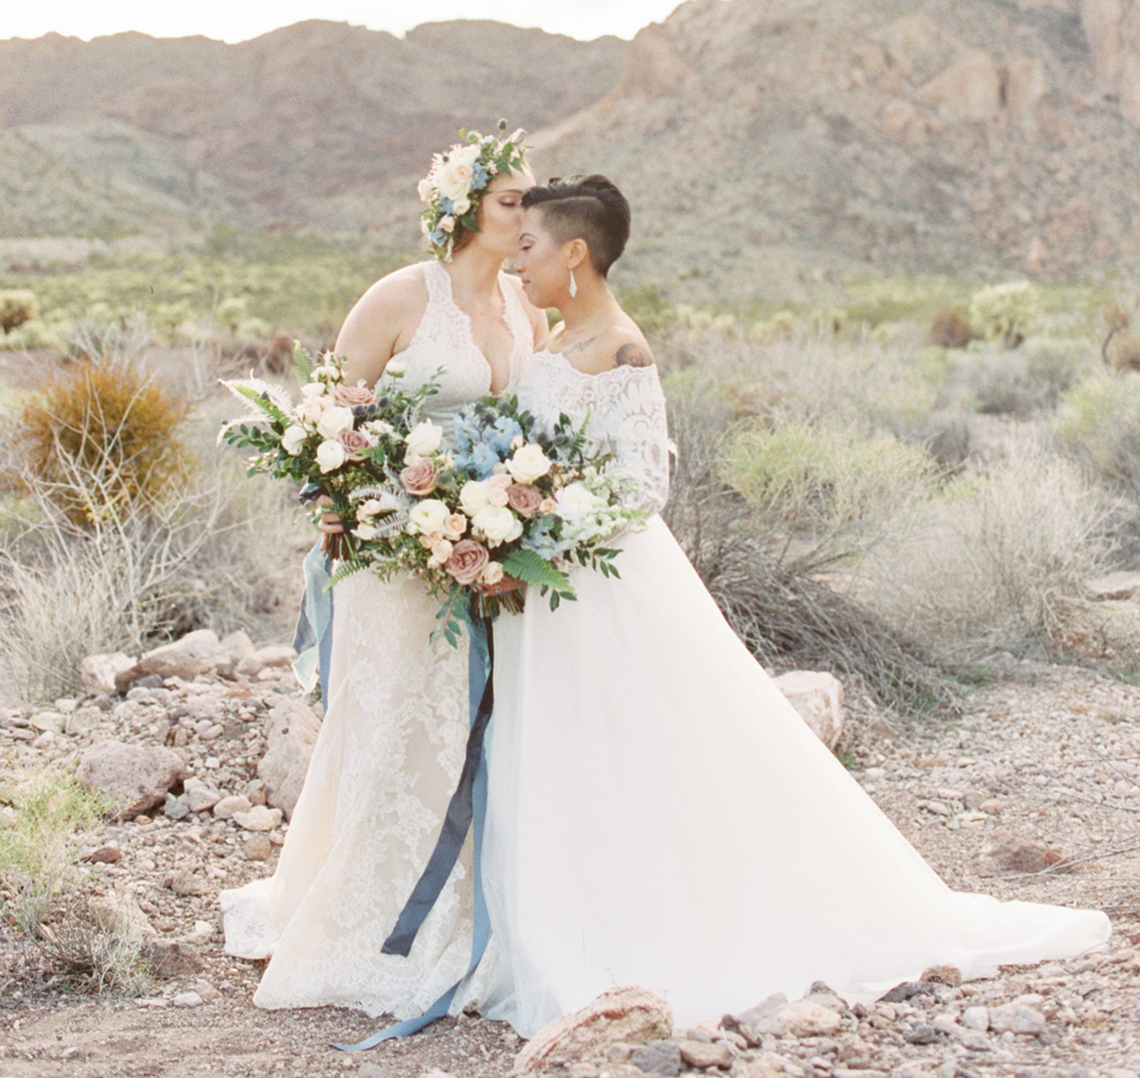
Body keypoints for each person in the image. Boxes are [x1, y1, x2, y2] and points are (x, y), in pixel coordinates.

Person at [475, 173, 1111, 1038]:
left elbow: (644, 485)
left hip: (600, 583)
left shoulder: (623, 349)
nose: (519, 263)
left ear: (575, 252)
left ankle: (647, 929)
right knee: (565, 749)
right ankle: (562, 919)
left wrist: (543, 529)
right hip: (548, 587)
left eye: (529, 246)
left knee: (635, 747)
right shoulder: (555, 336)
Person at [220, 129, 546, 1025]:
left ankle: (470, 908)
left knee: (473, 729)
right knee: (395, 723)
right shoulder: (401, 296)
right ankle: (371, 912)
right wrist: (341, 502)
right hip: (392, 560)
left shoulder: (527, 306)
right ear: (464, 208)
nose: (527, 214)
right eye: (511, 200)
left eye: (532, 200)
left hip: (485, 561)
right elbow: (327, 418)